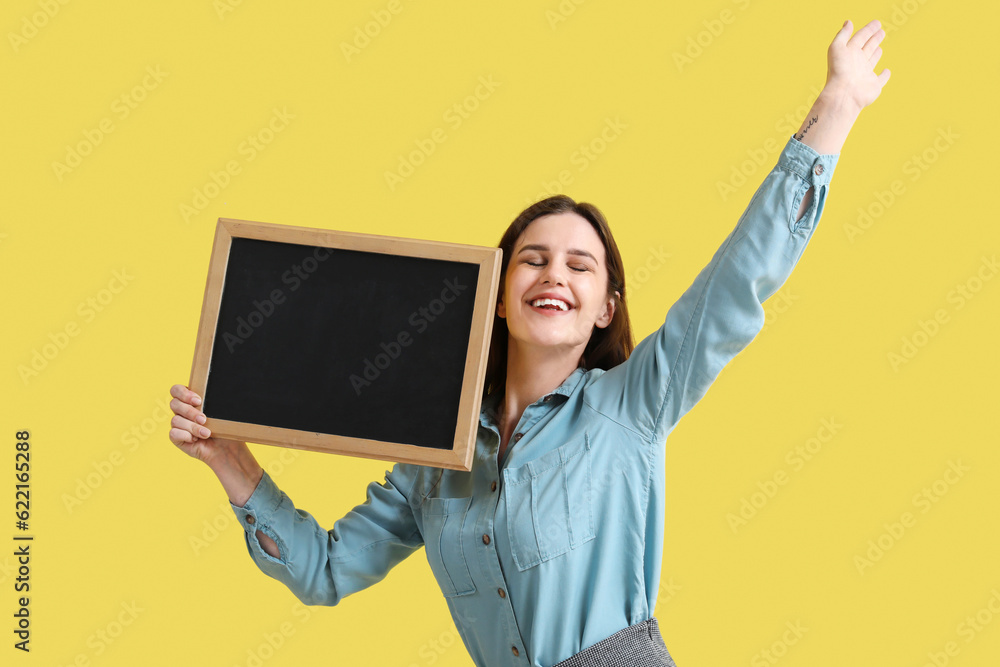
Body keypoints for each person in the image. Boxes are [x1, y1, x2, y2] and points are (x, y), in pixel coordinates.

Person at [169, 19, 890, 667]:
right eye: (533, 258)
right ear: (498, 296)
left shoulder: (632, 404)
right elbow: (323, 569)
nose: (555, 275)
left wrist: (837, 107)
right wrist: (227, 458)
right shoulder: (431, 462)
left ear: (606, 307)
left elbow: (738, 279)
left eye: (581, 265)